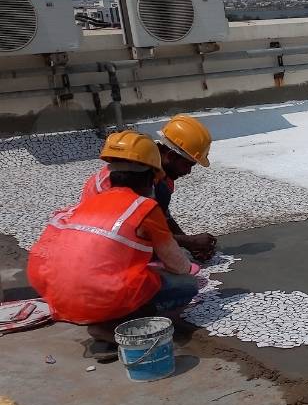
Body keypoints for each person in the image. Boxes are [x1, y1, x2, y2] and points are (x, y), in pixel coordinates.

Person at [29, 131, 200, 362]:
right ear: (151, 176)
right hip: (96, 295)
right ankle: (115, 325)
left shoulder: (87, 202)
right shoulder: (144, 208)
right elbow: (179, 266)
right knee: (186, 284)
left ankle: (99, 316)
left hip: (55, 295)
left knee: (126, 267)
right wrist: (181, 261)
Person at [80, 114, 217, 261]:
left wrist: (189, 243)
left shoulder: (158, 175)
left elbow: (161, 216)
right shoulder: (136, 179)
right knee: (181, 281)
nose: (188, 172)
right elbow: (134, 234)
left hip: (112, 234)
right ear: (170, 156)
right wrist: (187, 242)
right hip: (101, 246)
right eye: (188, 165)